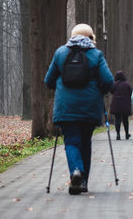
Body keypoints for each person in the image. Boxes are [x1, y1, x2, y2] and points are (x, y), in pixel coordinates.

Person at [44, 23, 114, 195]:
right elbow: (108, 81)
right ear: (91, 37)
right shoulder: (96, 54)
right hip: (89, 107)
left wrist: (60, 89)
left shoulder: (60, 53)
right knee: (85, 143)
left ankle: (75, 170)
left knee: (71, 141)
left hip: (66, 107)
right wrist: (102, 91)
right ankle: (83, 182)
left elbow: (48, 80)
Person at [110, 71, 132, 140]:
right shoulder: (127, 84)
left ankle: (118, 135)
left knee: (117, 120)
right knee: (125, 120)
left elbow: (111, 91)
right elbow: (130, 93)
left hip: (116, 105)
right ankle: (126, 134)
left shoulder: (114, 84)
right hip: (125, 104)